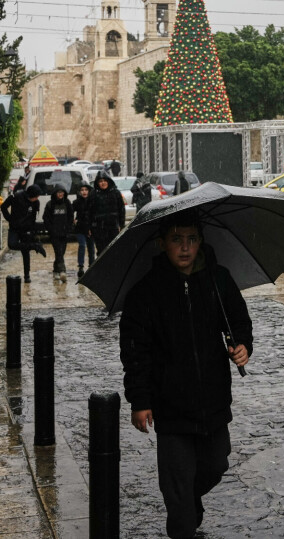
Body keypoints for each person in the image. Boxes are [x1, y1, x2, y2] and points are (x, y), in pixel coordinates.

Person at [119, 213, 253, 539]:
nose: (184, 247)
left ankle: (190, 501)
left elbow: (238, 320)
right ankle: (183, 523)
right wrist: (141, 400)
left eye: (192, 239)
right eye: (177, 239)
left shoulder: (218, 280)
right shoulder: (146, 292)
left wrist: (242, 344)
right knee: (177, 489)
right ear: (162, 243)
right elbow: (135, 351)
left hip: (214, 400)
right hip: (170, 406)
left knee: (216, 465)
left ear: (200, 241)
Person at [0, 183, 47, 282]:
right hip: (15, 227)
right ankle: (34, 246)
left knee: (25, 253)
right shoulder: (17, 196)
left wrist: (33, 233)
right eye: (36, 196)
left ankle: (27, 276)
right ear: (31, 195)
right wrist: (10, 219)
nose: (37, 198)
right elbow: (3, 207)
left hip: (26, 230)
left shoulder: (36, 203)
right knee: (12, 244)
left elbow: (33, 218)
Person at [42, 184, 74, 276]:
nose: (60, 194)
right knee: (58, 251)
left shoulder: (67, 203)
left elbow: (71, 216)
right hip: (54, 233)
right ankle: (62, 271)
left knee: (62, 252)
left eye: (62, 192)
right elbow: (46, 218)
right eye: (58, 192)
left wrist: (68, 228)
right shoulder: (50, 204)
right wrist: (50, 229)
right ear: (55, 193)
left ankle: (56, 268)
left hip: (64, 233)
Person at [91, 171, 126, 253]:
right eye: (100, 181)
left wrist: (121, 224)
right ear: (97, 183)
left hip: (113, 227)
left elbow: (121, 209)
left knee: (113, 249)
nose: (103, 183)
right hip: (99, 228)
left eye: (104, 181)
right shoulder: (94, 194)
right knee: (101, 250)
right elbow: (90, 211)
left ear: (108, 181)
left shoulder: (115, 193)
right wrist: (91, 226)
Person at [73, 183, 96, 278]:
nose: (84, 192)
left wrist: (92, 227)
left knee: (91, 247)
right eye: (82, 190)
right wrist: (73, 220)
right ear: (79, 192)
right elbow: (71, 212)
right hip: (80, 228)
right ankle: (81, 266)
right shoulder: (76, 202)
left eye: (86, 190)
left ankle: (91, 266)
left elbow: (94, 215)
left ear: (89, 191)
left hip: (90, 228)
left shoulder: (93, 202)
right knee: (82, 245)